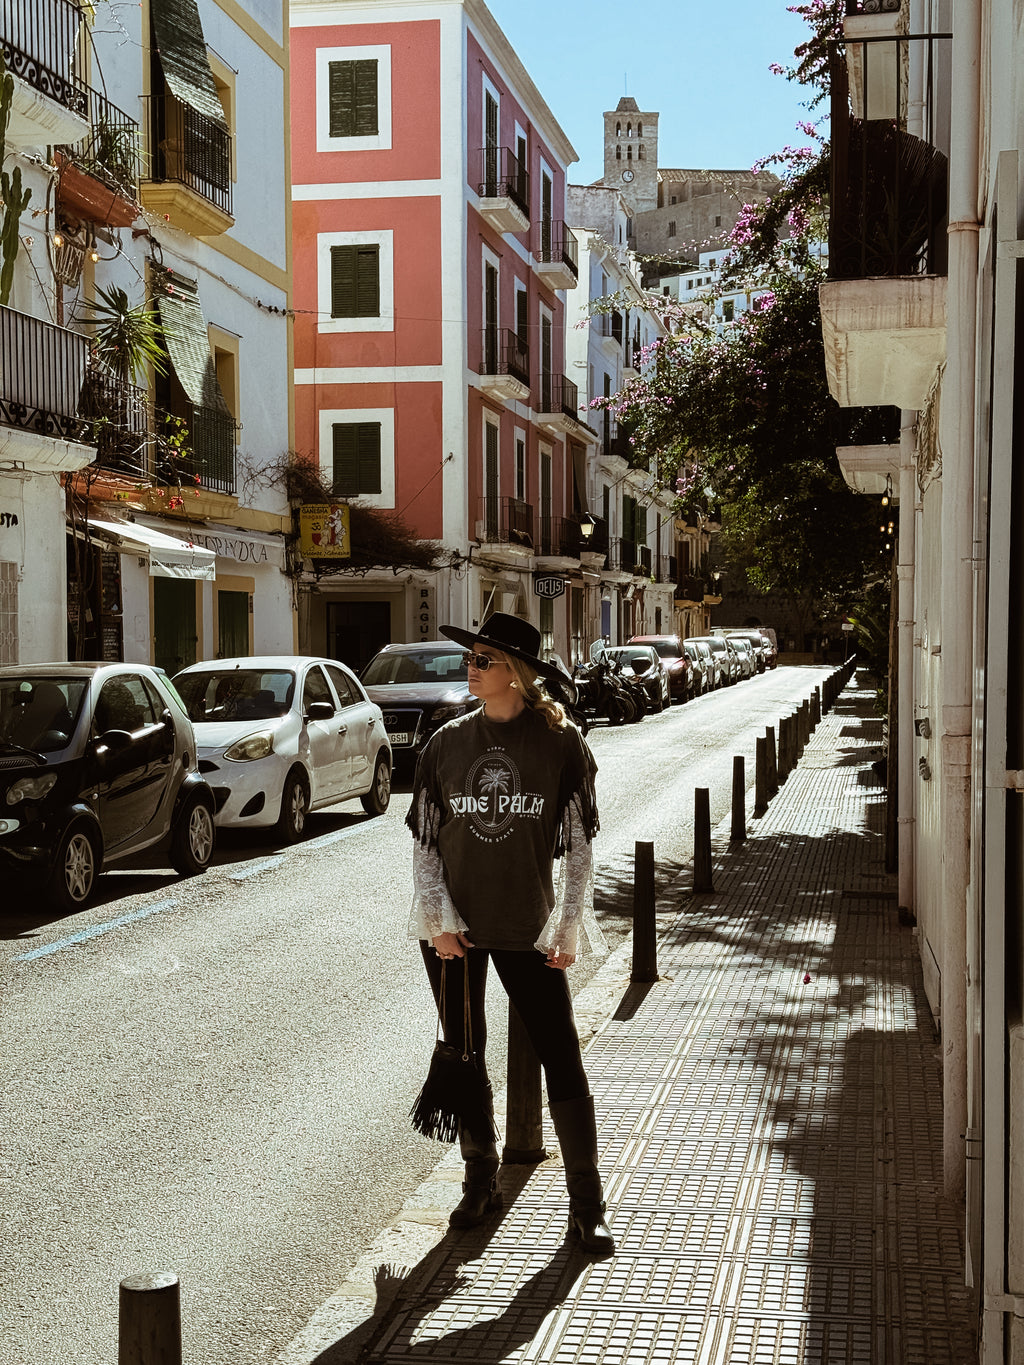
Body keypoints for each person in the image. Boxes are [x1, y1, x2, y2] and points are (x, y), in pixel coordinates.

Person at [406, 612, 614, 1255]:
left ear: (517, 673)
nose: (472, 668)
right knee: (465, 1055)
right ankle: (479, 1181)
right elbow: (424, 848)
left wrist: (568, 923)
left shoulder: (560, 744)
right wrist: (440, 923)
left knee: (563, 1058)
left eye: (485, 660)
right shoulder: (445, 744)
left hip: (530, 928)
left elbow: (577, 846)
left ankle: (587, 1202)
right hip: (456, 934)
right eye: (471, 658)